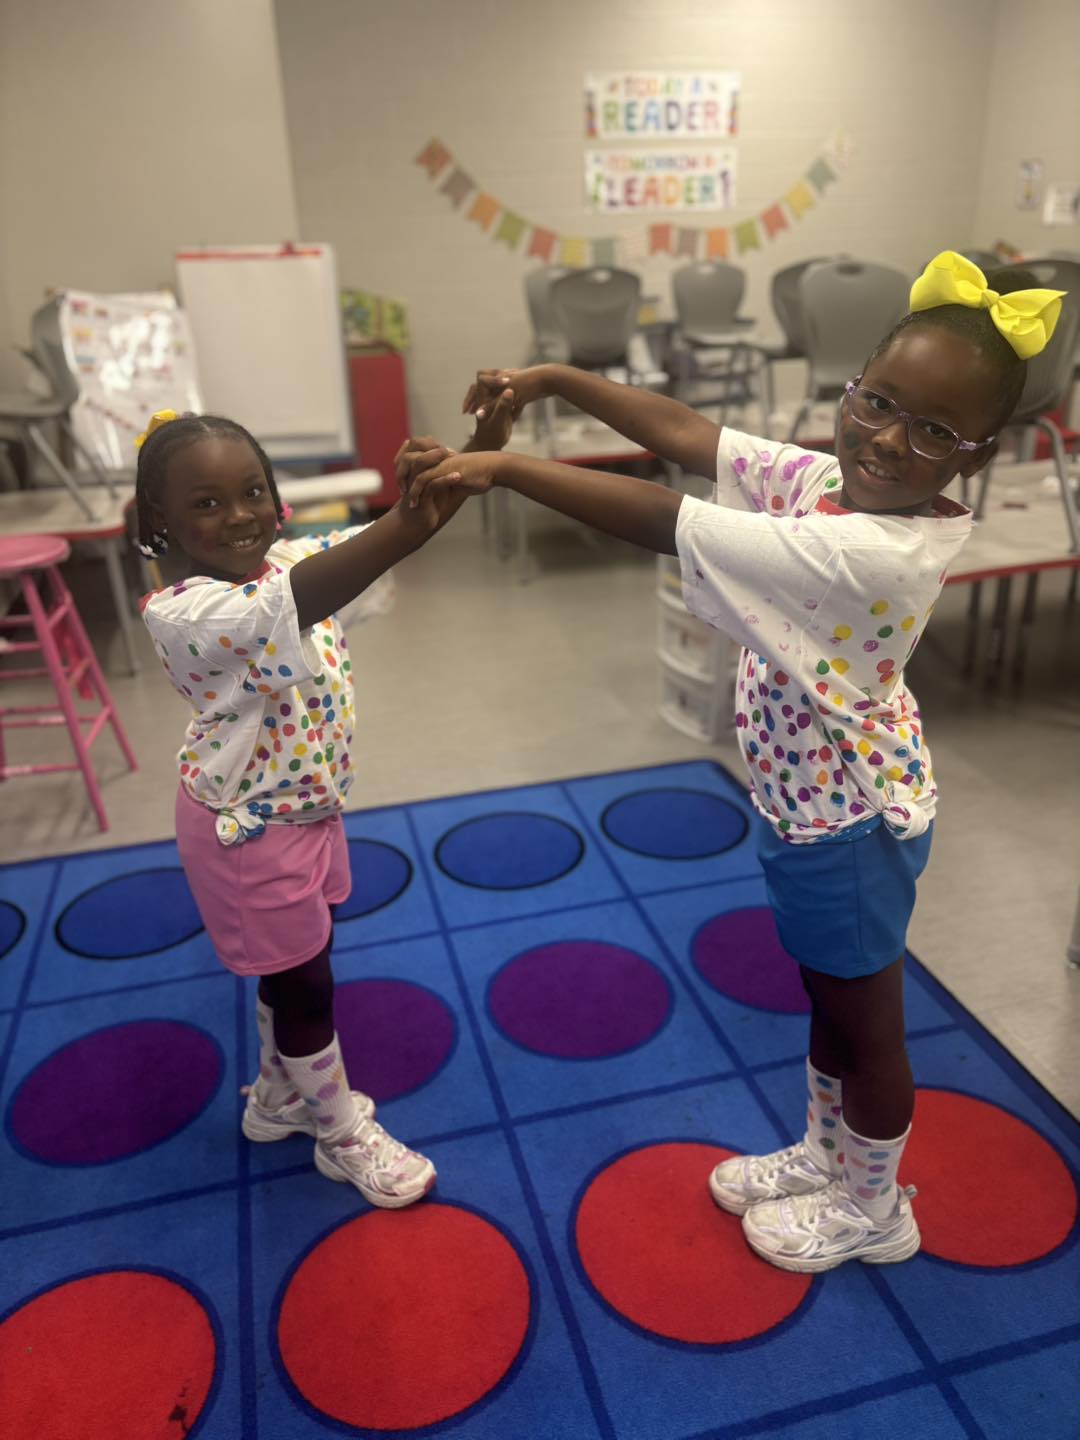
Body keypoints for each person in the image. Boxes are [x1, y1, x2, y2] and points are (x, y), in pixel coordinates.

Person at [399, 252, 1064, 1266]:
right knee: (828, 1000)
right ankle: (827, 1154)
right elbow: (689, 437)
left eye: (934, 430)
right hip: (808, 807)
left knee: (865, 1021)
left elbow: (670, 518)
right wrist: (551, 382)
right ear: (851, 387)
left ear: (973, 455)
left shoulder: (875, 550)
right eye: (878, 401)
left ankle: (874, 1209)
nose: (889, 438)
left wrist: (501, 467)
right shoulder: (841, 486)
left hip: (849, 824)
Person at [135, 398, 511, 1207]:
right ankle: (340, 1132)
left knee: (298, 964)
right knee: (308, 984)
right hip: (248, 834)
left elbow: (398, 536)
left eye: (253, 490)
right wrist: (403, 519)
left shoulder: (291, 566)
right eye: (206, 502)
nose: (239, 515)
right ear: (156, 523)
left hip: (308, 812)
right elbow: (347, 567)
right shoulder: (190, 614)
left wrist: (477, 454)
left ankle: (278, 1099)